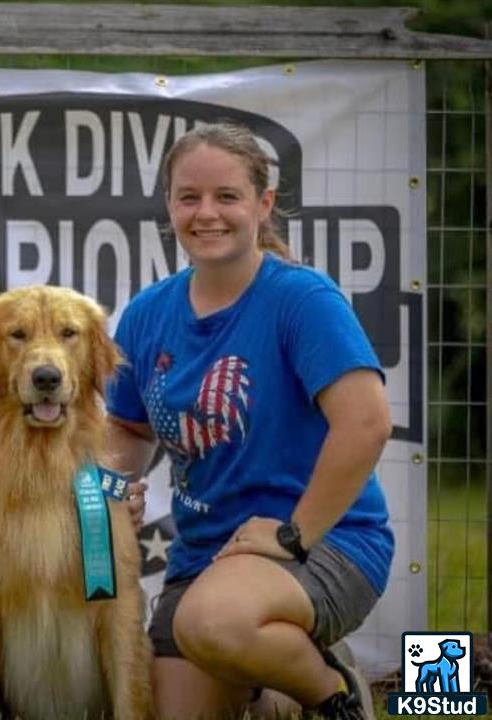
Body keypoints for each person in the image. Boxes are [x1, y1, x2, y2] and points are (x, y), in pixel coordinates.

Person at [106, 122, 394, 720]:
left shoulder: (302, 299)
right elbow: (127, 431)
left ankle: (332, 694)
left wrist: (294, 532)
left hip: (323, 546)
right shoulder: (147, 313)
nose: (206, 213)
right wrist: (110, 492)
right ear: (169, 206)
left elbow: (366, 425)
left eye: (227, 196)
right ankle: (272, 687)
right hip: (205, 560)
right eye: (189, 197)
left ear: (263, 206)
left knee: (215, 624)